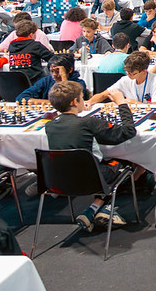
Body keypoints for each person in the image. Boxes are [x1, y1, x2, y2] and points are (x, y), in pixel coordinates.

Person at [45, 81, 135, 230]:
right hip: (92, 180)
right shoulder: (88, 123)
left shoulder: (50, 126)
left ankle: (93, 209)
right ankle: (105, 208)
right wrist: (121, 103)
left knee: (94, 166)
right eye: (82, 97)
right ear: (75, 102)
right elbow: (128, 132)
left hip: (59, 181)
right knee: (125, 159)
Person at [89, 51, 156, 105]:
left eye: (132, 73)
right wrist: (89, 102)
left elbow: (155, 107)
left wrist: (132, 102)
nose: (128, 75)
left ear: (143, 71)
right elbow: (103, 95)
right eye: (127, 72)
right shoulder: (125, 80)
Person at [15, 53, 87, 103]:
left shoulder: (79, 83)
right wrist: (50, 103)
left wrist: (64, 78)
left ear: (70, 70)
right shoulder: (46, 81)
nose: (54, 75)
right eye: (52, 71)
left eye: (58, 71)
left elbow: (68, 102)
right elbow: (21, 98)